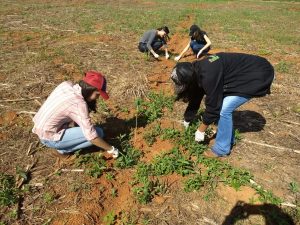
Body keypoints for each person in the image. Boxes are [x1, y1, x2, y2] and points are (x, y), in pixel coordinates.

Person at [171, 53, 274, 157]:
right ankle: (229, 138)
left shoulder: (209, 76)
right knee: (221, 104)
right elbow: (197, 95)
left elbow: (213, 107)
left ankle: (222, 148)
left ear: (190, 80)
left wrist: (201, 130)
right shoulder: (197, 70)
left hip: (260, 74)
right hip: (250, 70)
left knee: (223, 109)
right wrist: (188, 118)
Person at [32, 71, 119, 158]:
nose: (97, 98)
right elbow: (91, 136)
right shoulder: (78, 104)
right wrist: (111, 149)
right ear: (90, 90)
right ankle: (62, 150)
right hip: (49, 138)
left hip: (40, 127)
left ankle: (64, 143)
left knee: (90, 131)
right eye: (97, 94)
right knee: (99, 133)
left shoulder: (66, 85)